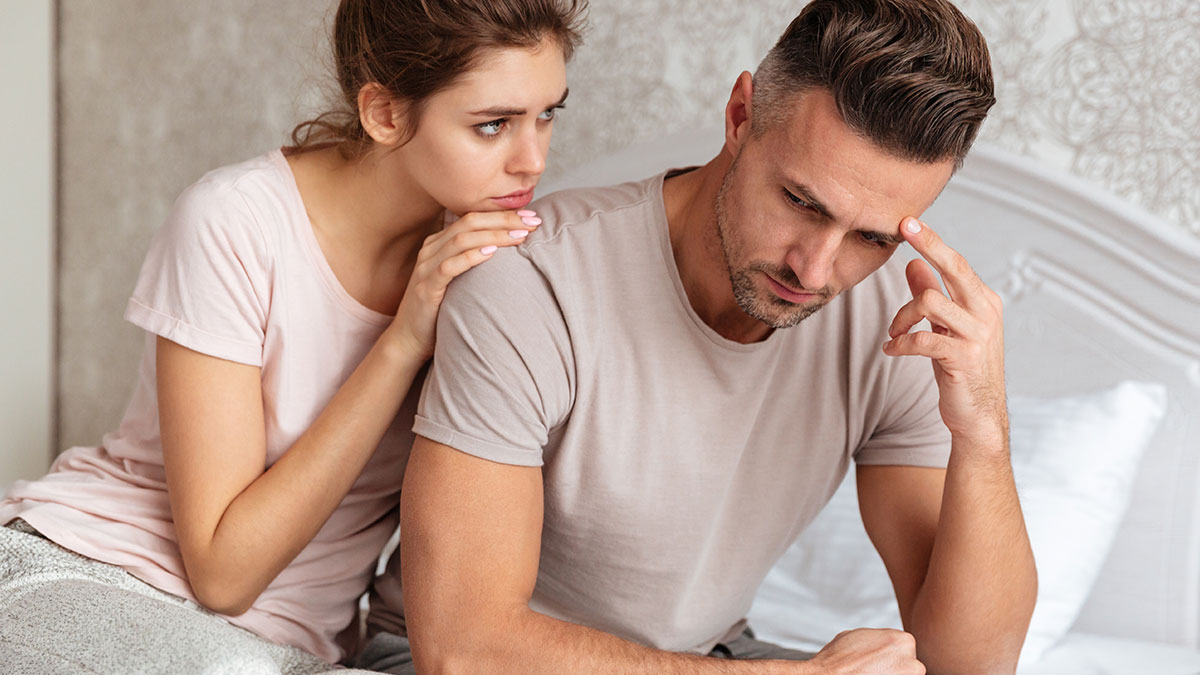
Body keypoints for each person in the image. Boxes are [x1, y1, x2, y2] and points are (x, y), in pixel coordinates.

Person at [360, 0, 1038, 673]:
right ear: (740, 117)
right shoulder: (531, 283)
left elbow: (971, 663)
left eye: (873, 237)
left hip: (705, 657)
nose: (816, 267)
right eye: (801, 202)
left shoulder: (891, 324)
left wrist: (984, 430)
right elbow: (464, 649)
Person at [0, 0, 585, 672]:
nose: (533, 159)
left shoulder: (487, 267)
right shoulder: (233, 223)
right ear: (386, 113)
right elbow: (223, 572)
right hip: (93, 574)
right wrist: (401, 343)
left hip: (283, 651)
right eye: (492, 126)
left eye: (548, 114)